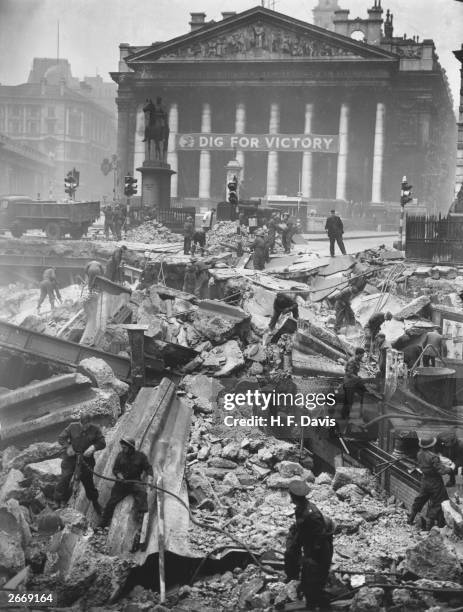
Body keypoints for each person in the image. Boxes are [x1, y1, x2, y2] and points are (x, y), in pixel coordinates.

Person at [284, 480, 334, 610]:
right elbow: (303, 531)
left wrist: (310, 558)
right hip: (312, 550)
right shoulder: (301, 509)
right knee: (308, 584)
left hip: (319, 553)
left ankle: (322, 606)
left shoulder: (312, 514)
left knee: (314, 586)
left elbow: (320, 539)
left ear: (292, 496)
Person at [54, 411, 105, 515]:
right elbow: (61, 438)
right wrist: (68, 447)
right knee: (65, 478)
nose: (84, 427)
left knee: (88, 483)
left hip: (86, 459)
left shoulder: (95, 429)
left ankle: (95, 502)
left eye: (87, 425)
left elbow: (102, 443)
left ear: (90, 423)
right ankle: (59, 501)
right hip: (71, 458)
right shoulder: (72, 426)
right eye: (83, 425)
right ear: (80, 422)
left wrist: (93, 447)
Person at [100, 437, 153, 528]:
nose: (123, 450)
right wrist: (120, 476)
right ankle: (104, 521)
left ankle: (141, 516)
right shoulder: (120, 455)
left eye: (125, 448)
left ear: (131, 447)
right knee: (111, 502)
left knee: (142, 493)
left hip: (134, 481)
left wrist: (150, 477)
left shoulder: (141, 456)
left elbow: (148, 468)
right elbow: (115, 469)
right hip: (121, 483)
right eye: (122, 448)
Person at [408, 437, 453, 529]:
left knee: (420, 500)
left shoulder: (419, 454)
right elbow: (441, 471)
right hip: (435, 483)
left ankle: (410, 519)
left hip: (425, 481)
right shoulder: (433, 457)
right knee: (437, 503)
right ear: (432, 446)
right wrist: (451, 468)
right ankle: (429, 528)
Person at [342, 347, 366, 420]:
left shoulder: (357, 360)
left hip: (352, 382)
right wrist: (357, 378)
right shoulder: (352, 361)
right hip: (349, 383)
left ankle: (345, 415)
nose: (362, 356)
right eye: (362, 355)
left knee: (348, 400)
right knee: (349, 401)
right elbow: (349, 373)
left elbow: (354, 372)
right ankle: (345, 417)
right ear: (358, 354)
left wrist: (357, 377)